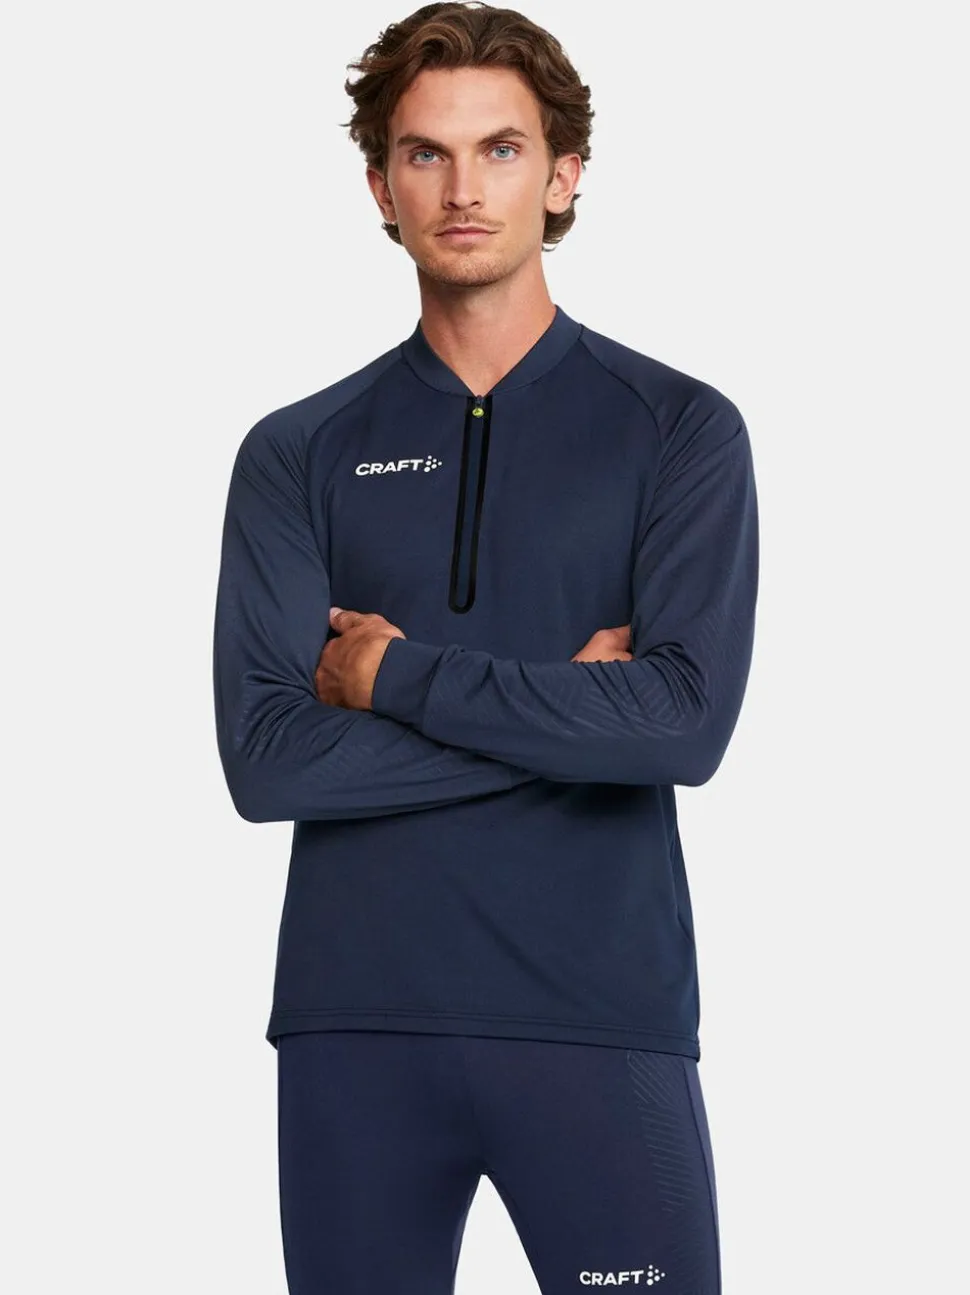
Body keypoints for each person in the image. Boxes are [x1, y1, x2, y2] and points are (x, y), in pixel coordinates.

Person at [212, 4, 759, 1292]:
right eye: (426, 153)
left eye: (501, 150)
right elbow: (269, 762)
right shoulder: (297, 451)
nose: (463, 189)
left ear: (563, 175)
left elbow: (682, 726)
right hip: (355, 1026)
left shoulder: (679, 430)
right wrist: (575, 716)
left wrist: (391, 679)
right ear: (381, 187)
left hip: (599, 1019)